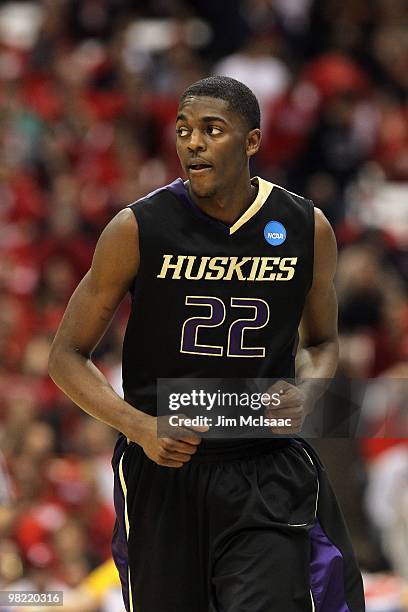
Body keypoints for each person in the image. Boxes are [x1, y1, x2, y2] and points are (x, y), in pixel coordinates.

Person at [49, 76, 365, 611]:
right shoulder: (138, 227)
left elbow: (323, 342)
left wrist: (307, 395)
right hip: (163, 468)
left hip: (264, 465)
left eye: (211, 130)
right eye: (182, 131)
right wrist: (138, 426)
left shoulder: (304, 226)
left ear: (251, 142)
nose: (192, 143)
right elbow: (65, 357)